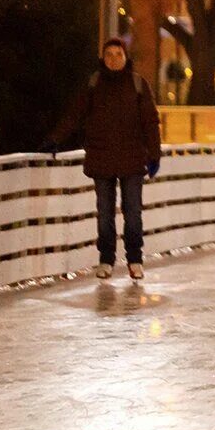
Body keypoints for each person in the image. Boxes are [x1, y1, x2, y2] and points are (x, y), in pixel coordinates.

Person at [45, 38, 162, 281]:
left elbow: (151, 122)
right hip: (101, 158)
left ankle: (135, 259)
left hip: (131, 158)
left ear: (125, 57)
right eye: (108, 54)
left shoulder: (138, 85)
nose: (113, 59)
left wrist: (154, 154)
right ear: (103, 58)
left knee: (133, 212)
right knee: (105, 213)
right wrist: (56, 138)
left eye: (118, 54)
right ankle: (106, 259)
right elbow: (76, 113)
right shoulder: (94, 84)